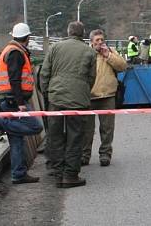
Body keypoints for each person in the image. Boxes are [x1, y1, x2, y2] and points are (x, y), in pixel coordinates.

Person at [40, 21, 96, 188]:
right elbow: (92, 78)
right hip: (78, 100)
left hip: (56, 98)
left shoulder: (55, 48)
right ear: (83, 34)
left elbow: (44, 73)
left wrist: (47, 93)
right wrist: (83, 92)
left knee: (55, 135)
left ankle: (57, 173)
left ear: (68, 32)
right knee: (75, 137)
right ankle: (70, 175)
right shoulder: (89, 52)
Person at [0, 22, 44, 184]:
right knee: (35, 127)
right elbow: (14, 79)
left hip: (9, 100)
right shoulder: (16, 53)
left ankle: (18, 174)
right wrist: (20, 102)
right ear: (28, 37)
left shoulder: (13, 50)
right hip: (13, 101)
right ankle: (0, 122)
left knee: (17, 139)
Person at [82, 29, 127, 166]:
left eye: (102, 39)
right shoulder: (85, 53)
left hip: (107, 96)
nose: (100, 42)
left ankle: (105, 154)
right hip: (89, 96)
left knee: (107, 128)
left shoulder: (111, 51)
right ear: (91, 42)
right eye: (97, 40)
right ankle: (85, 155)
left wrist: (109, 56)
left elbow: (123, 66)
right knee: (87, 130)